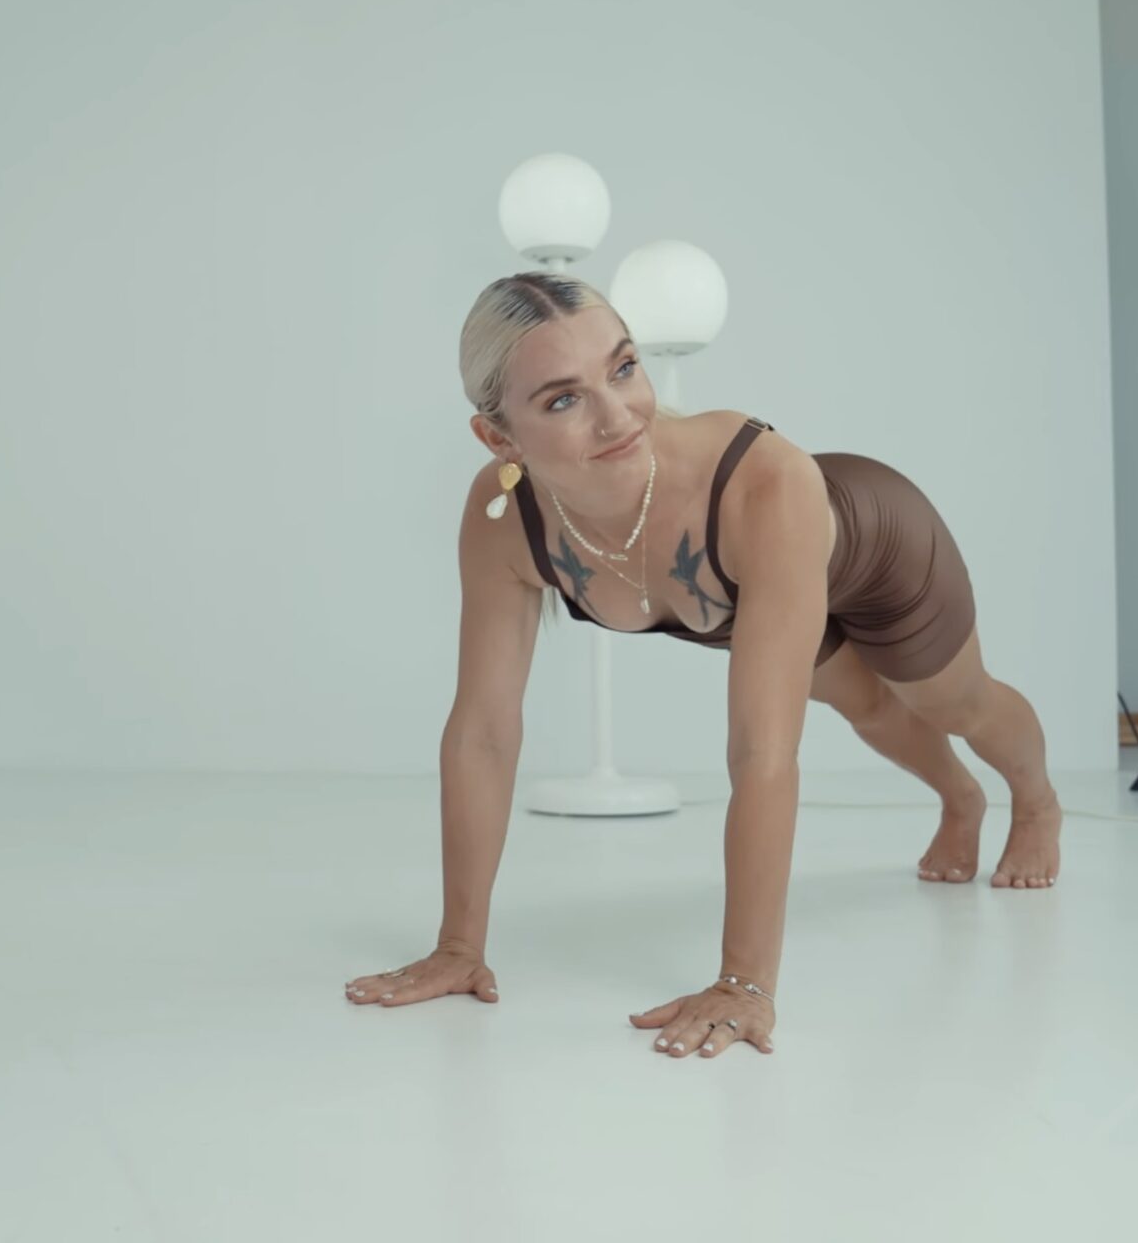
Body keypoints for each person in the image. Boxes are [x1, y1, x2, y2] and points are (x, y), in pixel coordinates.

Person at [343, 271, 1060, 1059]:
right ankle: (961, 799)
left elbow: (761, 755)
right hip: (746, 592)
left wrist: (745, 982)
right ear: (500, 438)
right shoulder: (503, 517)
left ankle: (1034, 802)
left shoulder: (761, 482)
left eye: (622, 368)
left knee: (950, 701)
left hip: (875, 544)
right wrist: (458, 944)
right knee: (868, 707)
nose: (618, 416)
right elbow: (483, 729)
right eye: (562, 399)